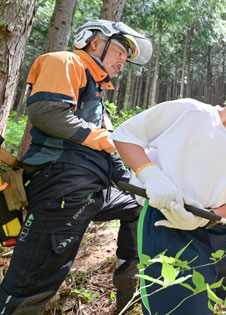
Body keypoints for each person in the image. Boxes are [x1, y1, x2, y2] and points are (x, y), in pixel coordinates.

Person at [110, 61, 226, 314]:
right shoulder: (191, 113)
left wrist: (205, 218)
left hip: (211, 230)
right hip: (166, 229)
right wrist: (152, 176)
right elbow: (125, 135)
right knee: (185, 307)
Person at [0, 20, 153, 314]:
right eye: (120, 51)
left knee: (139, 207)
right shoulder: (66, 61)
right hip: (62, 183)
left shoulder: (96, 96)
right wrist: (108, 140)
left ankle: (128, 294)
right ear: (95, 42)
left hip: (92, 188)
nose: (124, 60)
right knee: (32, 284)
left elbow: (112, 157)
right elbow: (48, 113)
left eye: (126, 56)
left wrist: (146, 185)